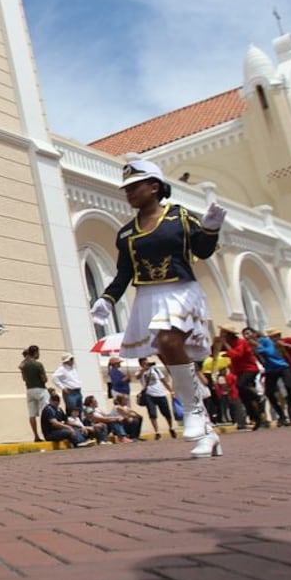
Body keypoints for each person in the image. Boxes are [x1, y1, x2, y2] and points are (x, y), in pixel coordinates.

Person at [91, 160, 226, 458]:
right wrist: (107, 299)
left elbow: (201, 250)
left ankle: (190, 411)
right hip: (148, 296)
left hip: (180, 290)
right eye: (126, 189)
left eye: (135, 187)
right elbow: (124, 272)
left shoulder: (179, 217)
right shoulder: (126, 233)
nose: (129, 193)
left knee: (167, 340)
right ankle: (208, 431)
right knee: (169, 355)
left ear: (154, 187)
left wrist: (212, 229)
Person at [136, 357, 176, 440]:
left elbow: (163, 380)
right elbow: (137, 377)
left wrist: (171, 391)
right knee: (152, 414)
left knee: (166, 413)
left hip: (160, 393)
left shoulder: (156, 370)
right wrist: (143, 369)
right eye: (144, 363)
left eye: (147, 363)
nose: (147, 364)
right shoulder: (139, 372)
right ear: (141, 364)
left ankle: (171, 427)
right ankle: (157, 432)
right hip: (148, 394)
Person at [20, 346, 50, 442]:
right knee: (45, 412)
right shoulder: (38, 365)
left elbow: (24, 378)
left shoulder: (24, 365)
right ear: (35, 353)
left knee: (32, 414)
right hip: (40, 389)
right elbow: (44, 379)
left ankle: (36, 435)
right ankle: (46, 433)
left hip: (29, 389)